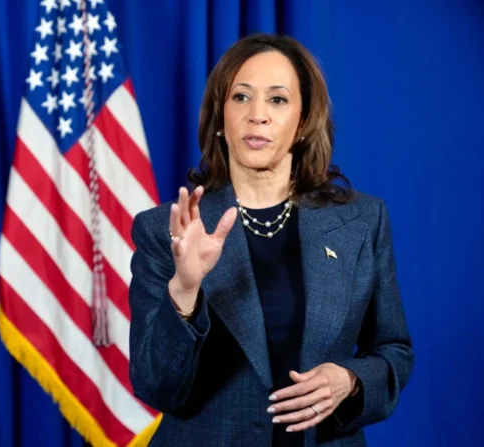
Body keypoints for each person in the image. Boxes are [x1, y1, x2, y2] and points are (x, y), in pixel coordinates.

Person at [128, 33, 414, 447]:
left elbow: (394, 349)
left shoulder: (362, 221)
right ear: (220, 119)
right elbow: (156, 387)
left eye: (277, 100)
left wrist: (350, 379)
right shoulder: (164, 230)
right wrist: (185, 291)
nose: (257, 115)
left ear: (302, 122)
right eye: (241, 98)